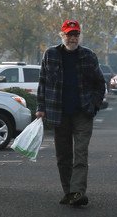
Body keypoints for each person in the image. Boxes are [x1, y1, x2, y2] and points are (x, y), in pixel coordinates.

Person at [36, 19, 106, 207]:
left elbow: (100, 83)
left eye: (75, 34)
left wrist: (95, 105)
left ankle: (77, 192)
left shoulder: (89, 56)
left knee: (81, 154)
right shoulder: (50, 55)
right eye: (69, 34)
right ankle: (68, 191)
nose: (72, 38)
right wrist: (40, 108)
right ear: (62, 35)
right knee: (63, 155)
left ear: (79, 36)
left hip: (83, 112)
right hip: (59, 113)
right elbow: (43, 82)